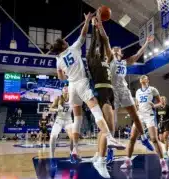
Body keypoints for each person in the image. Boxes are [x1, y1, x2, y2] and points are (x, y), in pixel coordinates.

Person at [50, 12, 124, 165]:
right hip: (82, 83)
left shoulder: (58, 60)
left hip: (71, 86)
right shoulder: (73, 48)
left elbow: (61, 78)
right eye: (64, 41)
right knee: (96, 112)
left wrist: (65, 73)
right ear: (64, 45)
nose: (66, 41)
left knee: (77, 119)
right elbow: (83, 35)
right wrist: (87, 21)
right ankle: (109, 138)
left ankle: (74, 150)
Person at [108, 29, 155, 157]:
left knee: (135, 114)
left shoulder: (124, 61)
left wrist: (146, 43)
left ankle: (144, 138)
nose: (116, 50)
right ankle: (110, 149)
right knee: (114, 119)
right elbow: (106, 44)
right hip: (113, 91)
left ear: (121, 53)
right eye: (114, 49)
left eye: (118, 49)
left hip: (124, 89)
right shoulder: (110, 60)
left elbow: (138, 54)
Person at [121, 75, 169, 173]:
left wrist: (155, 105)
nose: (142, 78)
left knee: (154, 139)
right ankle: (128, 160)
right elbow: (137, 104)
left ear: (147, 80)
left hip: (150, 116)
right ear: (140, 81)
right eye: (141, 78)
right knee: (132, 138)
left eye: (144, 77)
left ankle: (163, 162)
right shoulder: (138, 92)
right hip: (139, 116)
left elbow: (161, 103)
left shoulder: (153, 89)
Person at [49, 85, 74, 167]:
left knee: (72, 138)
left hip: (68, 121)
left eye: (67, 88)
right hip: (59, 120)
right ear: (62, 91)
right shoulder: (58, 98)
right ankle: (52, 158)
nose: (66, 89)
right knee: (53, 137)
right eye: (64, 88)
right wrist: (56, 109)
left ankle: (71, 154)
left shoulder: (72, 99)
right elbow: (50, 109)